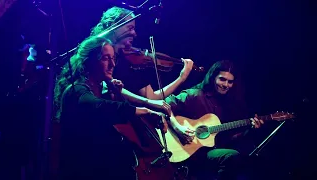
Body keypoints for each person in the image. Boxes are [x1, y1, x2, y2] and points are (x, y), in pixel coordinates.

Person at [53, 36, 167, 180]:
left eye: (113, 58)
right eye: (106, 58)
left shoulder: (104, 90)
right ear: (89, 61)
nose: (112, 64)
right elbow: (97, 106)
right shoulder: (75, 90)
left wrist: (117, 95)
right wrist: (143, 110)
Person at [165, 60, 264, 180]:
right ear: (212, 78)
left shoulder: (229, 105)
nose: (226, 85)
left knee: (237, 155)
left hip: (205, 153)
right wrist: (177, 127)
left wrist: (250, 129)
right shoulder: (194, 95)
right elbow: (163, 106)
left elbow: (227, 139)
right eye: (222, 79)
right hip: (182, 149)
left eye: (230, 82)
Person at [90, 6, 194, 110]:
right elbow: (108, 83)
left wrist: (182, 77)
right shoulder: (95, 52)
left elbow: (152, 97)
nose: (134, 34)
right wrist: (147, 103)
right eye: (130, 28)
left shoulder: (126, 62)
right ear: (114, 26)